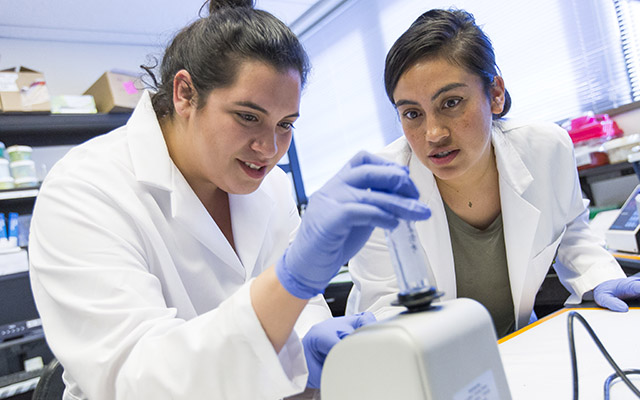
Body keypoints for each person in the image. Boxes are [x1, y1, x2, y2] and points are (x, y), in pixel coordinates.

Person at [27, 1, 430, 399]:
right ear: (185, 94)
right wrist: (291, 280)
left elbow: (301, 319)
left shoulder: (271, 186)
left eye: (285, 125)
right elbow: (139, 381)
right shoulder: (84, 190)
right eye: (248, 116)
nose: (270, 148)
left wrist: (307, 352)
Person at [346, 8, 640, 338]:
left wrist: (599, 278)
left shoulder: (545, 149)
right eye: (412, 113)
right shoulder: (379, 189)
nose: (434, 133)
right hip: (422, 363)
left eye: (451, 102)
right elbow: (386, 311)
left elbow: (570, 231)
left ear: (495, 94)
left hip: (519, 346)